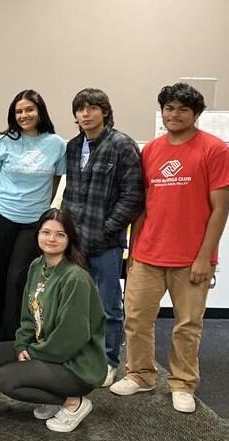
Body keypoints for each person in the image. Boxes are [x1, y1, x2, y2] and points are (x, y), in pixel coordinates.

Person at [110, 83, 229, 413]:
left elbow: (221, 208)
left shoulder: (214, 149)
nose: (174, 115)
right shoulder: (151, 150)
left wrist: (205, 257)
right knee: (136, 319)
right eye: (169, 108)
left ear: (196, 114)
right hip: (148, 253)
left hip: (192, 258)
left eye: (182, 109)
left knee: (187, 325)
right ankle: (140, 374)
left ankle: (182, 383)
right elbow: (142, 205)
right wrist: (133, 251)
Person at [0, 208, 107, 433]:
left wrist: (33, 353)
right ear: (37, 235)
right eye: (46, 232)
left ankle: (72, 402)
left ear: (70, 238)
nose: (51, 239)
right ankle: (52, 392)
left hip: (76, 364)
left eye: (60, 234)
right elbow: (28, 316)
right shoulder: (37, 266)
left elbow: (71, 337)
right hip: (45, 349)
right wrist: (22, 345)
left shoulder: (75, 278)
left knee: (6, 379)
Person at [63, 88, 144, 387]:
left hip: (106, 243)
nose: (86, 114)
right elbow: (71, 193)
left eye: (92, 108)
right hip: (75, 241)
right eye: (80, 109)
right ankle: (81, 354)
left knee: (109, 306)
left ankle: (109, 361)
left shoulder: (122, 145)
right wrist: (64, 229)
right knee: (77, 304)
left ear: (105, 111)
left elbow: (133, 195)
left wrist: (108, 227)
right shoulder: (73, 147)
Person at [0, 89, 66, 344]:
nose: (24, 115)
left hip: (33, 222)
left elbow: (55, 180)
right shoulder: (1, 142)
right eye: (18, 111)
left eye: (29, 109)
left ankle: (10, 342)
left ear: (40, 111)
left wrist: (42, 206)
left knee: (17, 280)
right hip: (0, 215)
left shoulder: (57, 144)